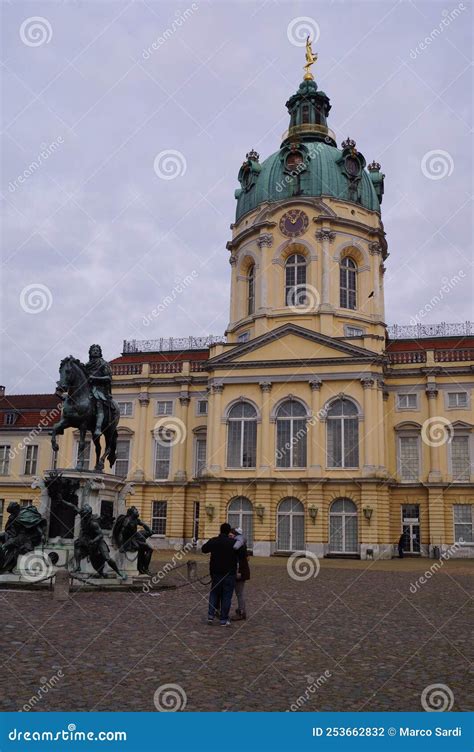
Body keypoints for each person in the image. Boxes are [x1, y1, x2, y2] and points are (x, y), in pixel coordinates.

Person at [201, 523, 238, 627]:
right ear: (229, 532)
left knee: (214, 594)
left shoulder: (214, 541)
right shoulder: (233, 543)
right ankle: (223, 620)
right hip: (229, 573)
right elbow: (242, 554)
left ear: (220, 530)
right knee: (227, 596)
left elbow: (204, 549)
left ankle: (210, 616)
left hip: (216, 572)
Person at [231, 527, 250, 620]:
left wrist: (238, 571)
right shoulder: (242, 544)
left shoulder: (238, 546)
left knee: (239, 593)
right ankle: (241, 610)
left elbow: (239, 560)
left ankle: (242, 612)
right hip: (242, 571)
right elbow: (247, 558)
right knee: (239, 593)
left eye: (232, 533)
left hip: (240, 572)